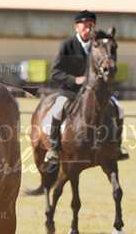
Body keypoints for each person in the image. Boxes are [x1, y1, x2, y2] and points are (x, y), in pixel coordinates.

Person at [44, 10, 129, 164]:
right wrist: (75, 80)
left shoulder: (99, 45)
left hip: (95, 93)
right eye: (85, 25)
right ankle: (54, 149)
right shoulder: (66, 45)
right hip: (71, 91)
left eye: (91, 25)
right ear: (76, 27)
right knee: (57, 109)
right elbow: (55, 72)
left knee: (120, 109)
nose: (88, 29)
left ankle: (117, 147)